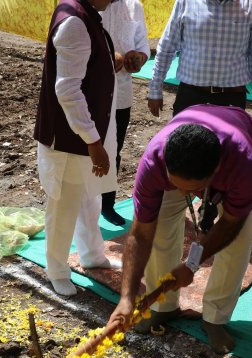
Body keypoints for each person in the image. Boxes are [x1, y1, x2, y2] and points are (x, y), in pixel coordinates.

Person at [107, 104, 252, 355]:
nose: (184, 195)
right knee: (159, 228)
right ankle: (164, 307)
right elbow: (140, 234)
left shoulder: (242, 165)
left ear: (215, 172)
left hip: (238, 134)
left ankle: (215, 317)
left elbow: (231, 224)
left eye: (192, 190)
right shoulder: (154, 162)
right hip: (188, 150)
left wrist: (193, 263)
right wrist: (127, 298)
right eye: (176, 185)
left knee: (238, 243)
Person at [33, 0, 120, 297]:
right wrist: (93, 141)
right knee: (64, 203)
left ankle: (92, 254)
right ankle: (56, 269)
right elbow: (68, 89)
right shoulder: (74, 21)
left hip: (83, 132)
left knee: (88, 197)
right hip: (69, 138)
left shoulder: (84, 14)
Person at [147, 0, 252, 125]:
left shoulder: (251, 4)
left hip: (231, 98)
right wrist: (155, 90)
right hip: (191, 95)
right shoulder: (185, 2)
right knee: (185, 143)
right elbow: (166, 48)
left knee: (228, 144)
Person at [100, 0, 150, 226]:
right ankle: (85, 203)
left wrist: (138, 58)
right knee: (85, 150)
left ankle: (106, 205)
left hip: (120, 94)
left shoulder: (134, 6)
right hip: (91, 92)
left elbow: (143, 45)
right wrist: (108, 58)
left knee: (113, 149)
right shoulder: (87, 5)